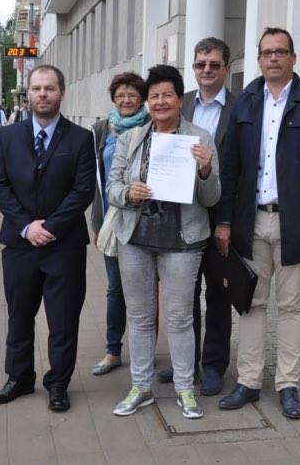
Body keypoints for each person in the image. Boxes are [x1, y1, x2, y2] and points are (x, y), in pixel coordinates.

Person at [215, 28, 300, 420]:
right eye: (267, 52)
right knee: (251, 303)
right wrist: (224, 221)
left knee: (291, 305)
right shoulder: (244, 103)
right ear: (258, 59)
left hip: (296, 224)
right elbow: (230, 168)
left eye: (281, 52)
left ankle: (288, 385)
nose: (274, 58)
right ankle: (249, 382)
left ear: (293, 58)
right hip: (250, 222)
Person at [107, 65, 220, 419]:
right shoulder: (131, 138)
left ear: (179, 99)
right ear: (147, 102)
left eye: (167, 95)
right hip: (136, 239)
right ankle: (141, 387)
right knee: (140, 317)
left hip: (183, 242)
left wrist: (205, 170)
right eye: (154, 96)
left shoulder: (200, 138)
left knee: (180, 317)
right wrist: (129, 193)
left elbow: (211, 198)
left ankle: (185, 388)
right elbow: (111, 188)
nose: (160, 102)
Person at [0, 65, 96, 413]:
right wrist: (26, 227)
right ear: (28, 93)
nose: (43, 94)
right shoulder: (8, 136)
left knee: (63, 320)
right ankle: (19, 377)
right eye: (36, 88)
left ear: (62, 92)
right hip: (20, 245)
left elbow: (83, 190)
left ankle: (58, 383)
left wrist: (49, 226)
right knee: (19, 315)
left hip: (64, 245)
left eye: (49, 88)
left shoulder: (81, 138)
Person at [156, 37, 234, 396]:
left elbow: (240, 170)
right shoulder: (179, 101)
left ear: (226, 68)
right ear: (193, 67)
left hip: (219, 216)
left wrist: (226, 221)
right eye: (201, 64)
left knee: (217, 294)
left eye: (214, 64)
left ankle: (214, 365)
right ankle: (186, 361)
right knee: (183, 294)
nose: (207, 70)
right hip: (181, 215)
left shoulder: (241, 108)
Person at [89, 72, 150, 376]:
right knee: (116, 289)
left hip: (146, 221)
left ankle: (145, 352)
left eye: (133, 95)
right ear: (113, 98)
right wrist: (96, 221)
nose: (126, 100)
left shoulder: (153, 126)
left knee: (148, 290)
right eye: (121, 95)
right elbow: (95, 179)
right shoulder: (101, 129)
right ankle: (113, 350)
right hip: (112, 220)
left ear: (142, 99)